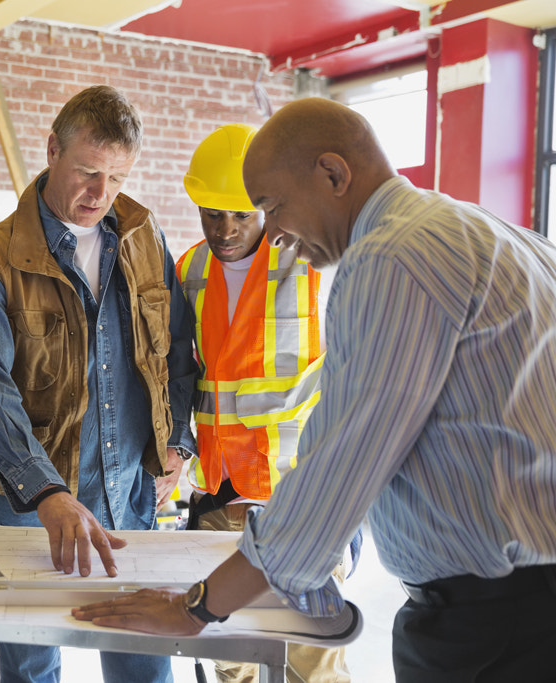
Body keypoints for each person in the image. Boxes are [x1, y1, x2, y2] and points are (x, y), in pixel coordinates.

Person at [73, 96, 556, 681]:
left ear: (333, 174)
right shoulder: (509, 239)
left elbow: (344, 464)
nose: (270, 232)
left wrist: (198, 606)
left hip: (494, 622)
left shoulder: (391, 259)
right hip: (511, 603)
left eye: (272, 207)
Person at [0, 84, 198, 683]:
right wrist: (45, 491)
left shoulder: (144, 237)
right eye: (89, 172)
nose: (101, 195)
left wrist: (179, 442)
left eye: (115, 178)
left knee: (142, 654)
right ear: (52, 149)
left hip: (128, 493)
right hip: (28, 509)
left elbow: (176, 351)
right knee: (33, 659)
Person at [176, 123, 349, 682]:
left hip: (297, 499)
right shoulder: (186, 272)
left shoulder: (310, 268)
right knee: (232, 660)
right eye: (211, 214)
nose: (223, 230)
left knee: (310, 660)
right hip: (217, 502)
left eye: (239, 215)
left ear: (265, 208)